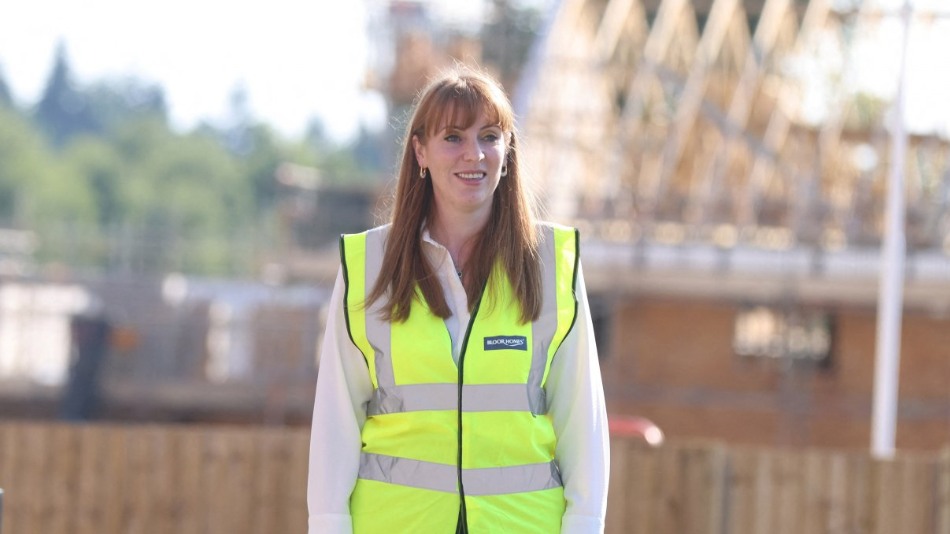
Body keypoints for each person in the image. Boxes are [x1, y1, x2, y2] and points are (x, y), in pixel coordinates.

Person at [307, 67, 609, 534]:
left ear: (507, 152)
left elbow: (581, 423)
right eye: (453, 137)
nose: (475, 153)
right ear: (420, 151)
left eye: (490, 136)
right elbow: (336, 421)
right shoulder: (367, 265)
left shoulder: (553, 264)